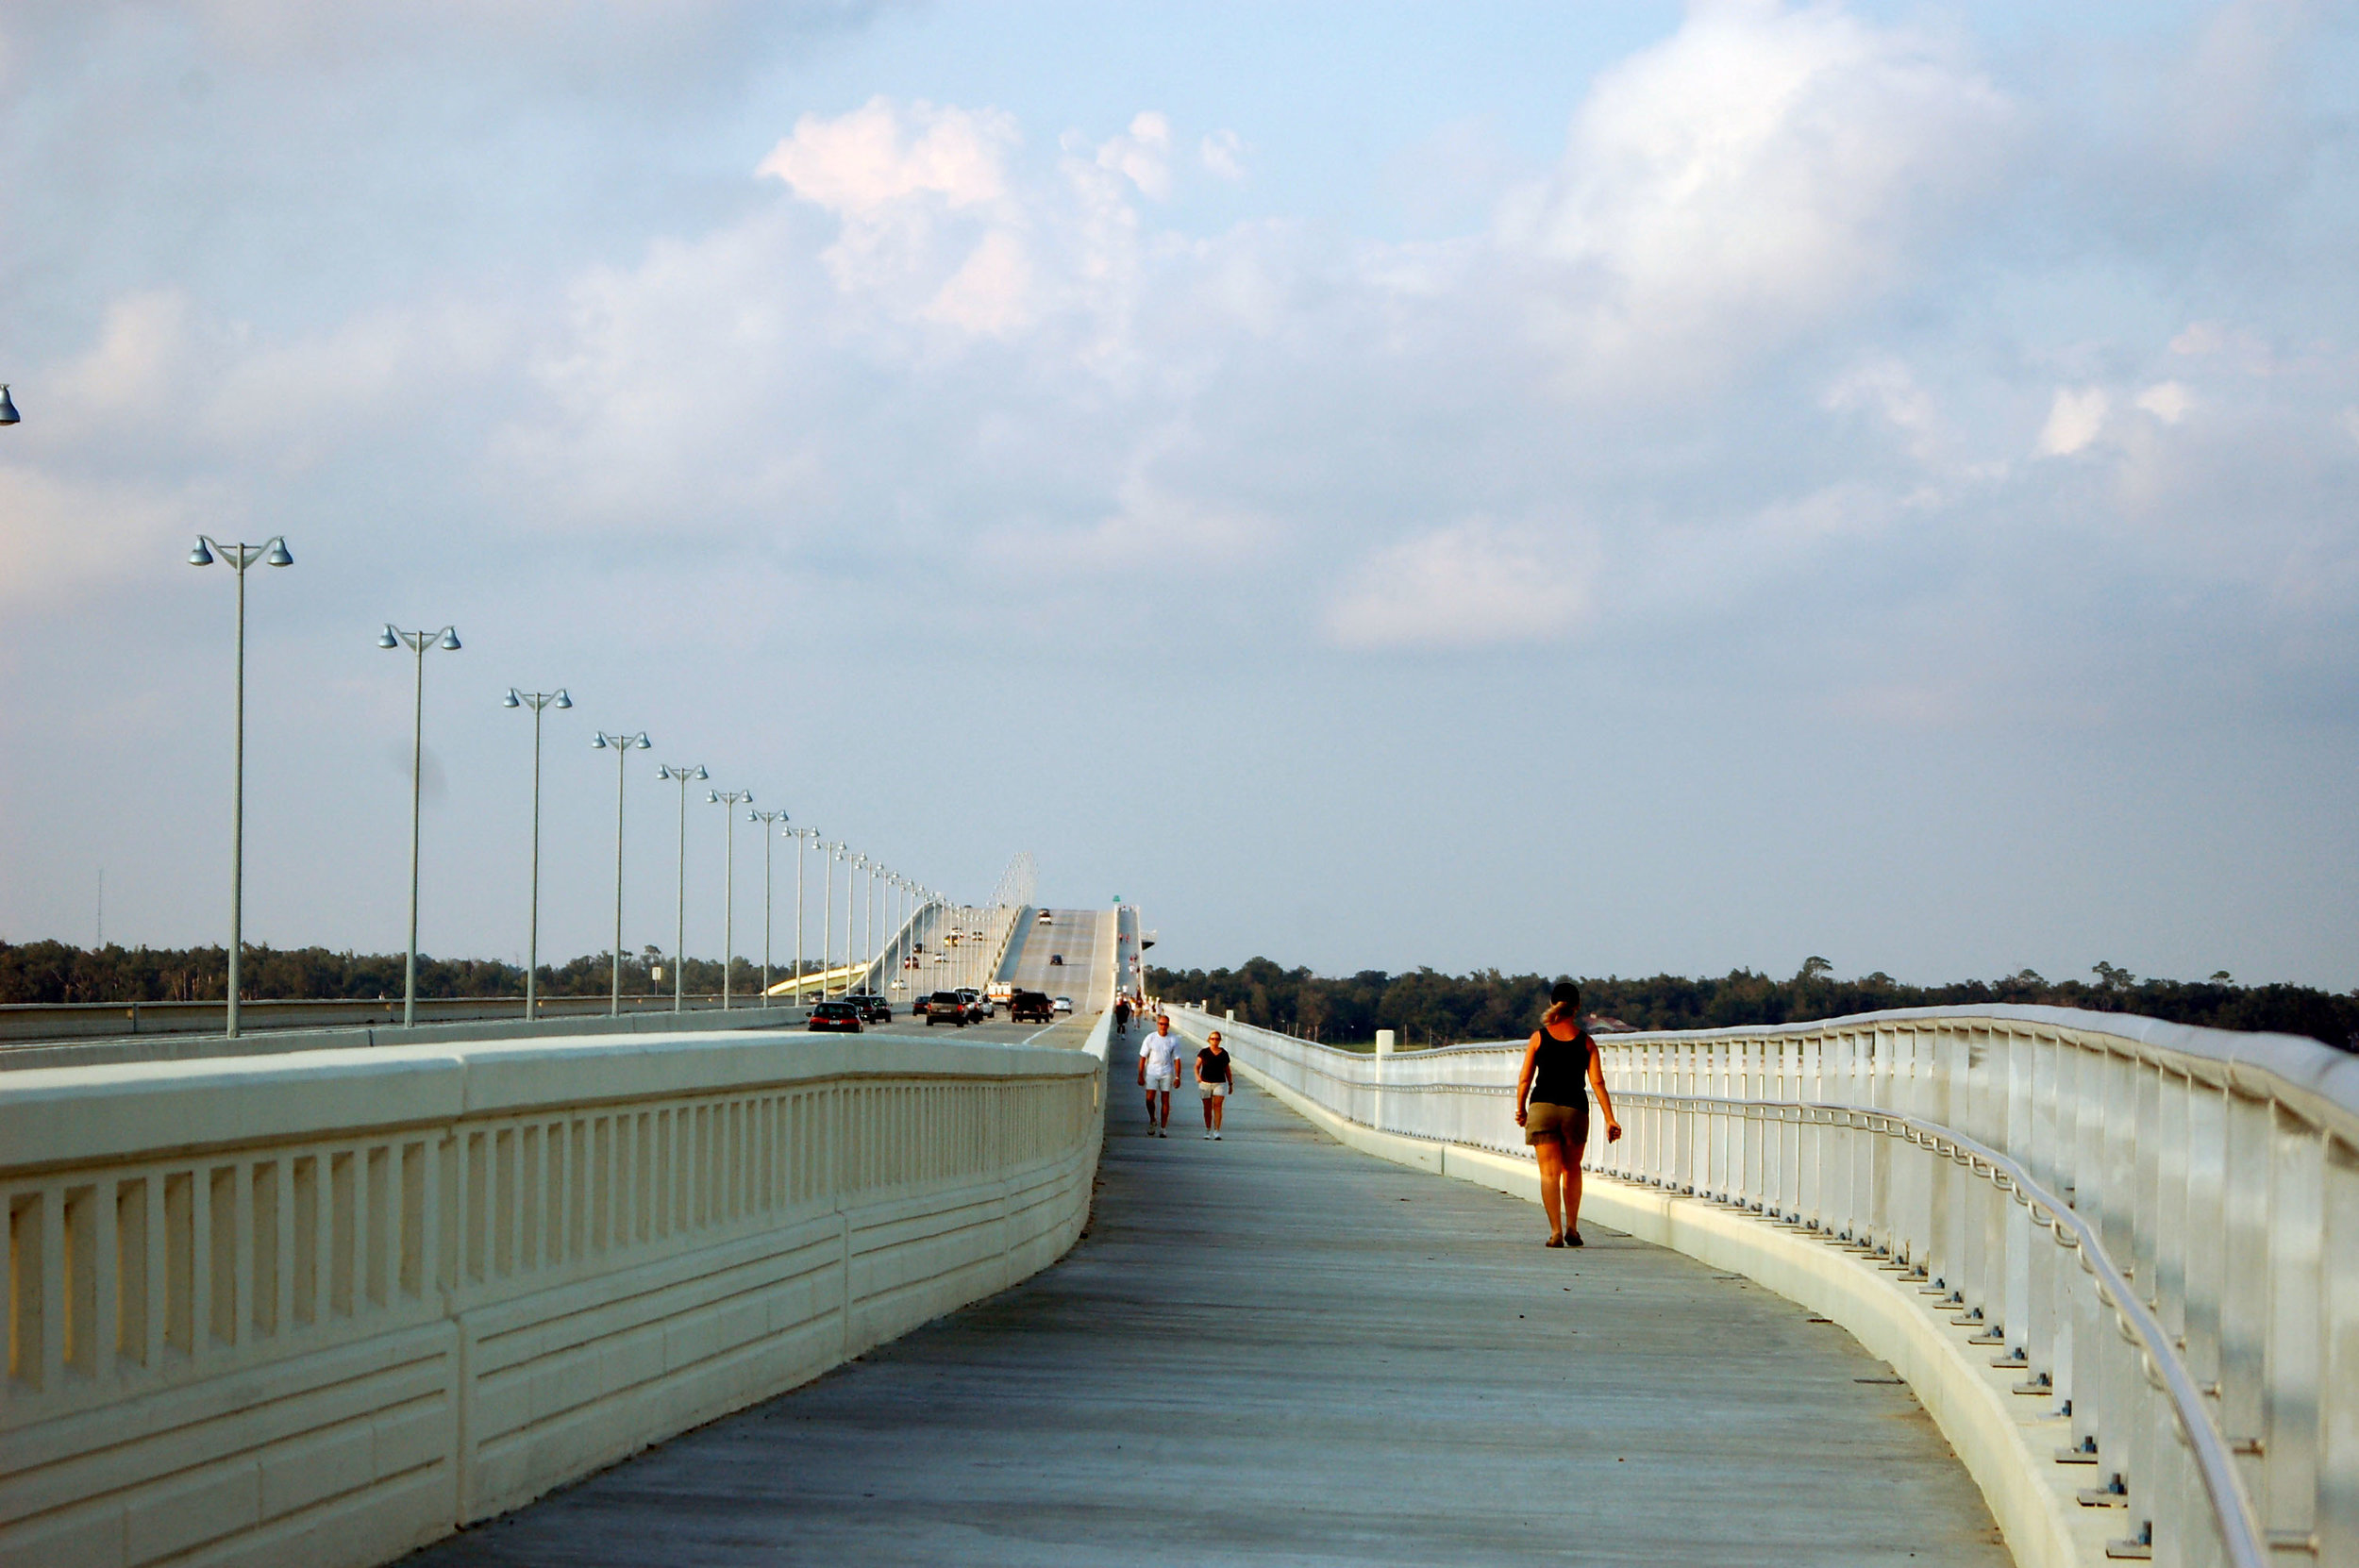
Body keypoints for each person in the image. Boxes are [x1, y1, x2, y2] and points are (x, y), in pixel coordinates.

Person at [1514, 981, 1621, 1247]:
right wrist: (1610, 1118)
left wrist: (1521, 1109)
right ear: (1577, 1008)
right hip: (1575, 1110)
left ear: (1553, 1005)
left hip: (1542, 1109)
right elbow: (1597, 1083)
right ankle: (1573, 1228)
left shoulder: (1538, 1038)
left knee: (1549, 1174)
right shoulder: (1586, 1042)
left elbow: (1525, 1079)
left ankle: (1555, 1232)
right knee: (1571, 1169)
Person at [1136, 1013, 1185, 1136]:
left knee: (1165, 1100)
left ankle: (1163, 1128)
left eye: (1166, 1024)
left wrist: (1178, 1076)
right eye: (1161, 1024)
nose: (1163, 1026)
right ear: (1157, 1024)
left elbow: (1177, 1059)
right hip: (1152, 1071)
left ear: (1168, 1026)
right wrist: (1140, 1074)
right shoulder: (1150, 1038)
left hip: (1166, 1072)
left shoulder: (1173, 1039)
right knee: (1149, 1099)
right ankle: (1153, 1119)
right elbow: (1143, 1057)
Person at [1195, 1029, 1233, 1139]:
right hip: (1205, 1083)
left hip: (1219, 1083)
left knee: (1218, 1106)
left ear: (1220, 1041)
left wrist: (1230, 1084)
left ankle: (1217, 1131)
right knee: (1207, 1108)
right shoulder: (1204, 1052)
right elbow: (1197, 1066)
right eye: (1212, 1039)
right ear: (1209, 1040)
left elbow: (1227, 1070)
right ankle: (1207, 1130)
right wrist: (1197, 1076)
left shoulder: (1224, 1054)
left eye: (1217, 1039)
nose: (1214, 1041)